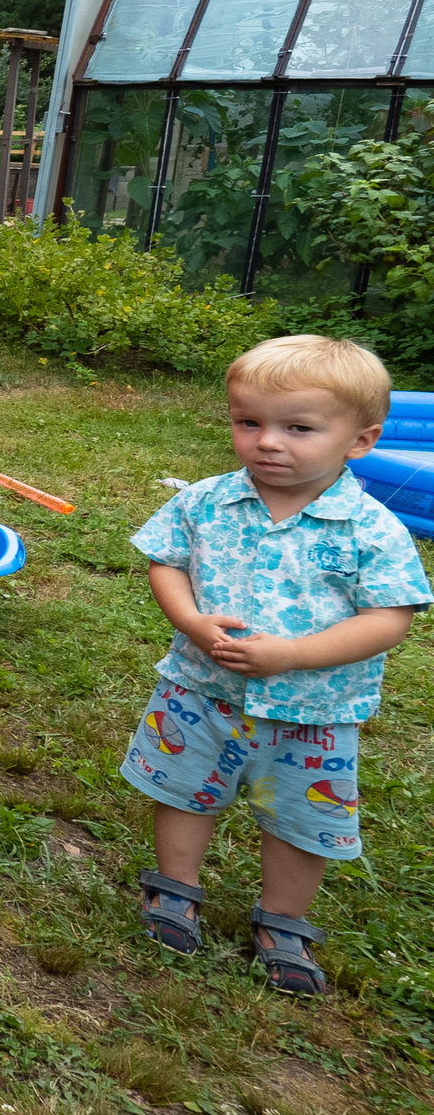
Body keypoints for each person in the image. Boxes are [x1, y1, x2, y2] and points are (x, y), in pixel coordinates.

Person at [125, 335, 428, 995]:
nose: (268, 441)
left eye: (299, 428)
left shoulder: (371, 528)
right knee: (184, 790)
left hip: (312, 715)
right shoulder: (205, 501)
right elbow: (166, 561)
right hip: (201, 691)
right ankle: (175, 886)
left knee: (300, 820)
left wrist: (291, 655)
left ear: (361, 439)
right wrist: (192, 622)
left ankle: (284, 920)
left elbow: (389, 617)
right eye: (249, 422)